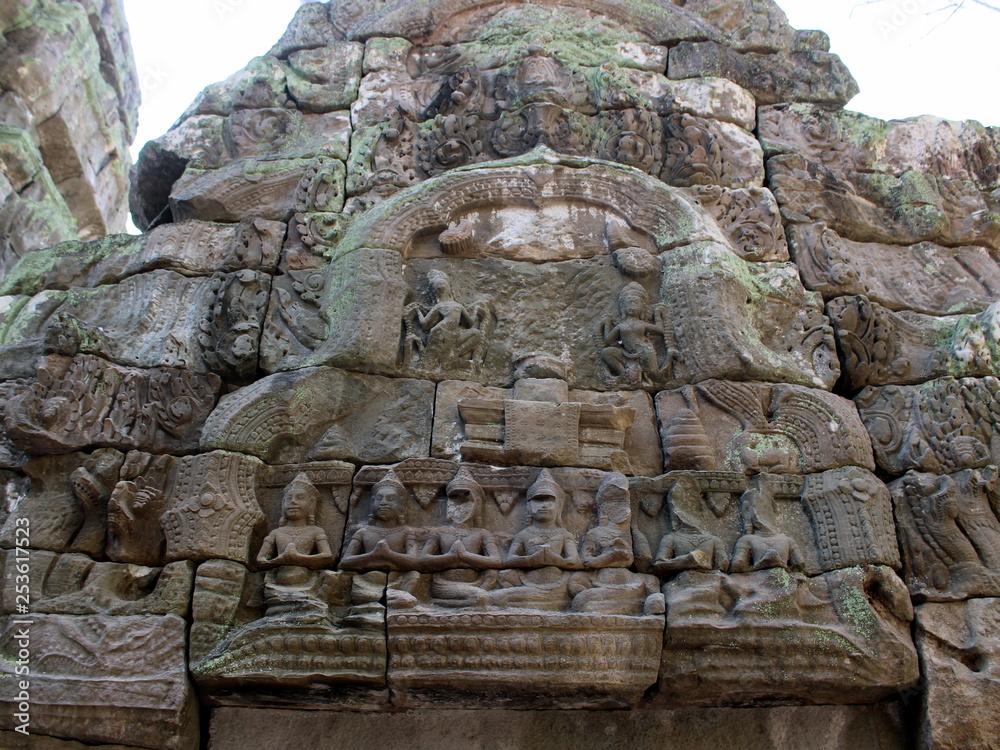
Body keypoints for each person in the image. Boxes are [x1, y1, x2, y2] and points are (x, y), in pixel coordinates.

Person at [340, 469, 419, 571]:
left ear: (402, 504)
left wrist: (389, 554)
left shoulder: (406, 532)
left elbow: (414, 562)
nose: (383, 503)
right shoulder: (363, 532)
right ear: (372, 502)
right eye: (379, 498)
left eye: (390, 499)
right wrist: (373, 555)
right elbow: (345, 561)